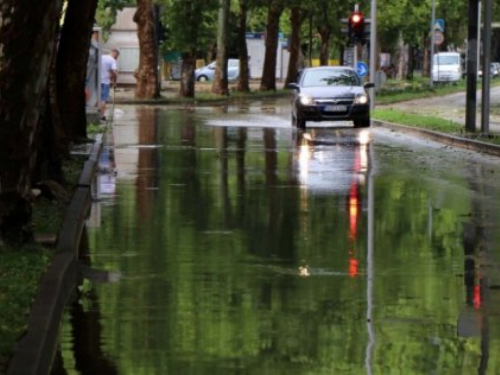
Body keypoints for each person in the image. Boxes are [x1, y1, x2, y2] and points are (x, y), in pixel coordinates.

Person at [100, 48, 120, 121]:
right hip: (105, 82)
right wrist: (115, 83)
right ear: (115, 54)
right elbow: (114, 72)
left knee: (97, 99)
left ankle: (96, 114)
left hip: (98, 81)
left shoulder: (101, 57)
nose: (116, 58)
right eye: (117, 56)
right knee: (103, 100)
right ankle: (101, 116)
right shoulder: (112, 60)